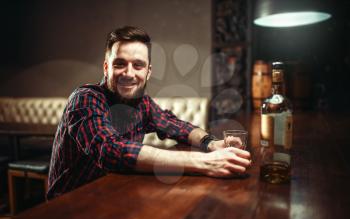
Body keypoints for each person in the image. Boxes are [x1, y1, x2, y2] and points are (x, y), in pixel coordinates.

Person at [47, 26, 251, 199]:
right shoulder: (85, 98)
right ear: (106, 67)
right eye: (120, 64)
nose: (129, 73)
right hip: (68, 205)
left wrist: (211, 143)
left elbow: (177, 126)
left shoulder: (142, 104)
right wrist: (205, 163)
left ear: (148, 72)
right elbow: (110, 150)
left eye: (138, 65)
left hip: (113, 196)